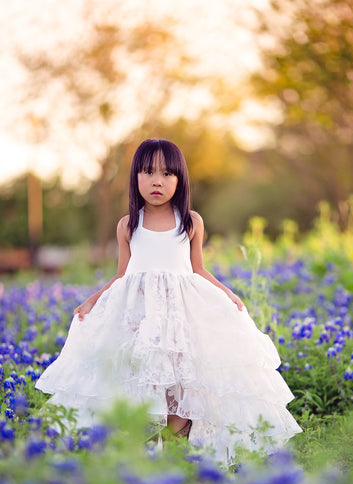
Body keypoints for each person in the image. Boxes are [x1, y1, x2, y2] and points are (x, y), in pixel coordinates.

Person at [36, 138, 302, 464]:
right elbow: (123, 274)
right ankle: (141, 462)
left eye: (167, 173)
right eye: (148, 172)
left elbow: (198, 269)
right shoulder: (127, 225)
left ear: (180, 179)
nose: (157, 181)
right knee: (143, 387)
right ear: (135, 177)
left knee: (180, 388)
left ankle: (178, 458)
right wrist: (94, 299)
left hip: (181, 319)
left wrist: (228, 293)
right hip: (140, 319)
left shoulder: (190, 221)